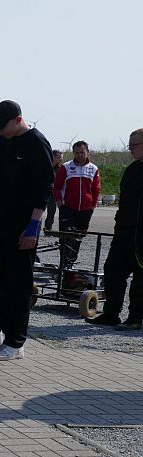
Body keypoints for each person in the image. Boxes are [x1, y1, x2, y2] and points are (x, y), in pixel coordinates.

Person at [0, 99, 53, 361]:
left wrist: (33, 227)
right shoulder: (2, 142)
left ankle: (15, 342)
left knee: (17, 284)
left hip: (23, 224)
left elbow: (45, 190)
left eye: (3, 126)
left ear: (18, 119)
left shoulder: (36, 143)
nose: (1, 131)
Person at [88, 128, 143, 330]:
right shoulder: (132, 169)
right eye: (129, 146)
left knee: (140, 276)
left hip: (140, 234)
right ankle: (111, 313)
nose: (130, 150)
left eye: (134, 145)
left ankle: (136, 317)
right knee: (112, 271)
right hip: (124, 231)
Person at [53, 141, 101, 267]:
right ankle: (64, 267)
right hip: (68, 208)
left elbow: (96, 189)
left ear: (87, 152)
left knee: (78, 239)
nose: (79, 155)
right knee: (66, 238)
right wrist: (60, 204)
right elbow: (57, 187)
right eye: (77, 153)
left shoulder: (93, 168)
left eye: (82, 152)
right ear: (73, 153)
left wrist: (92, 205)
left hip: (85, 210)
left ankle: (70, 266)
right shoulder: (66, 167)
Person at [46, 149, 62, 231]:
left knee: (51, 211)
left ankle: (48, 228)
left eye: (60, 158)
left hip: (52, 194)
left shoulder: (59, 169)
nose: (59, 159)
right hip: (43, 192)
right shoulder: (45, 165)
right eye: (58, 157)